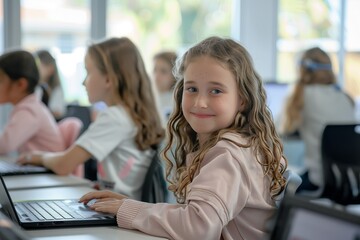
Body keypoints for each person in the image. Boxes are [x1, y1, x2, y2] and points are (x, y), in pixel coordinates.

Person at [79, 36, 288, 240]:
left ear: (242, 100)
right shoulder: (239, 144)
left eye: (216, 91)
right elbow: (198, 214)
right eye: (192, 89)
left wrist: (132, 211)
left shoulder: (228, 154)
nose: (200, 102)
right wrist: (133, 206)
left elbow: (198, 229)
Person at [18, 37, 165, 200]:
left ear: (109, 79)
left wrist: (35, 157)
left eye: (88, 72)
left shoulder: (115, 117)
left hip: (117, 214)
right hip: (122, 208)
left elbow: (63, 165)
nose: (83, 82)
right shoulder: (130, 114)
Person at [277, 47, 355, 193]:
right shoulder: (345, 97)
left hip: (319, 181)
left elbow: (280, 130)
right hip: (349, 182)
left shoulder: (302, 96)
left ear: (302, 69)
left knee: (278, 185)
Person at [0, 50, 65, 155]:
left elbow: (3, 146)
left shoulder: (29, 111)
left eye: (0, 80)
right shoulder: (31, 106)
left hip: (48, 170)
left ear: (21, 84)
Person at [34, 49, 66, 120]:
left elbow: (58, 112)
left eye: (40, 66)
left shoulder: (56, 89)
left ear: (51, 68)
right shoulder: (34, 88)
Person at [153, 51, 178, 122]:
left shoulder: (177, 102)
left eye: (163, 71)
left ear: (174, 75)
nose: (156, 76)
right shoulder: (149, 98)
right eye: (155, 70)